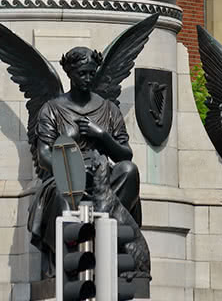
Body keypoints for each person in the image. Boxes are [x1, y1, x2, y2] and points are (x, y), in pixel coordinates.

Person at [28, 47, 140, 267]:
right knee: (62, 194)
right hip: (65, 176)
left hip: (101, 175)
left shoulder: (109, 109)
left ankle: (111, 236)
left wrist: (102, 135)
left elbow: (125, 154)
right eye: (82, 73)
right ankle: (71, 259)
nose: (88, 78)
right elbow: (43, 155)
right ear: (70, 74)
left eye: (91, 73)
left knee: (129, 170)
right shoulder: (52, 109)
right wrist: (72, 170)